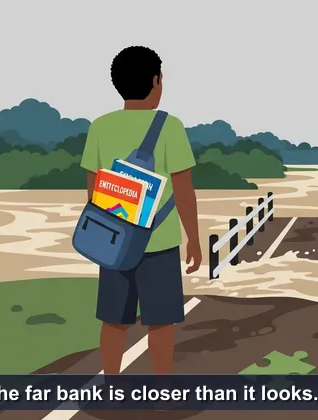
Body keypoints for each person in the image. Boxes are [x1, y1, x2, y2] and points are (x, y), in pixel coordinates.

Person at [80, 46, 202, 375]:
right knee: (161, 323)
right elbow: (183, 191)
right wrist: (194, 239)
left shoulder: (100, 127)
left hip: (114, 242)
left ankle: (111, 387)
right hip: (158, 245)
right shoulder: (171, 127)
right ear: (154, 81)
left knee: (113, 321)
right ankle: (162, 393)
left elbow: (93, 191)